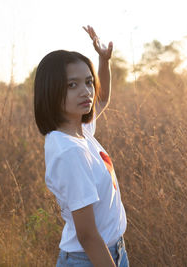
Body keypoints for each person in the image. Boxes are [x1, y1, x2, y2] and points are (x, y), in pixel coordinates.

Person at [33, 25, 128, 267]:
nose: (86, 91)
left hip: (112, 250)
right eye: (72, 85)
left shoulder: (78, 131)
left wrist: (103, 61)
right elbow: (87, 235)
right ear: (51, 90)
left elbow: (102, 97)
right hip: (89, 259)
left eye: (88, 82)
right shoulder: (70, 151)